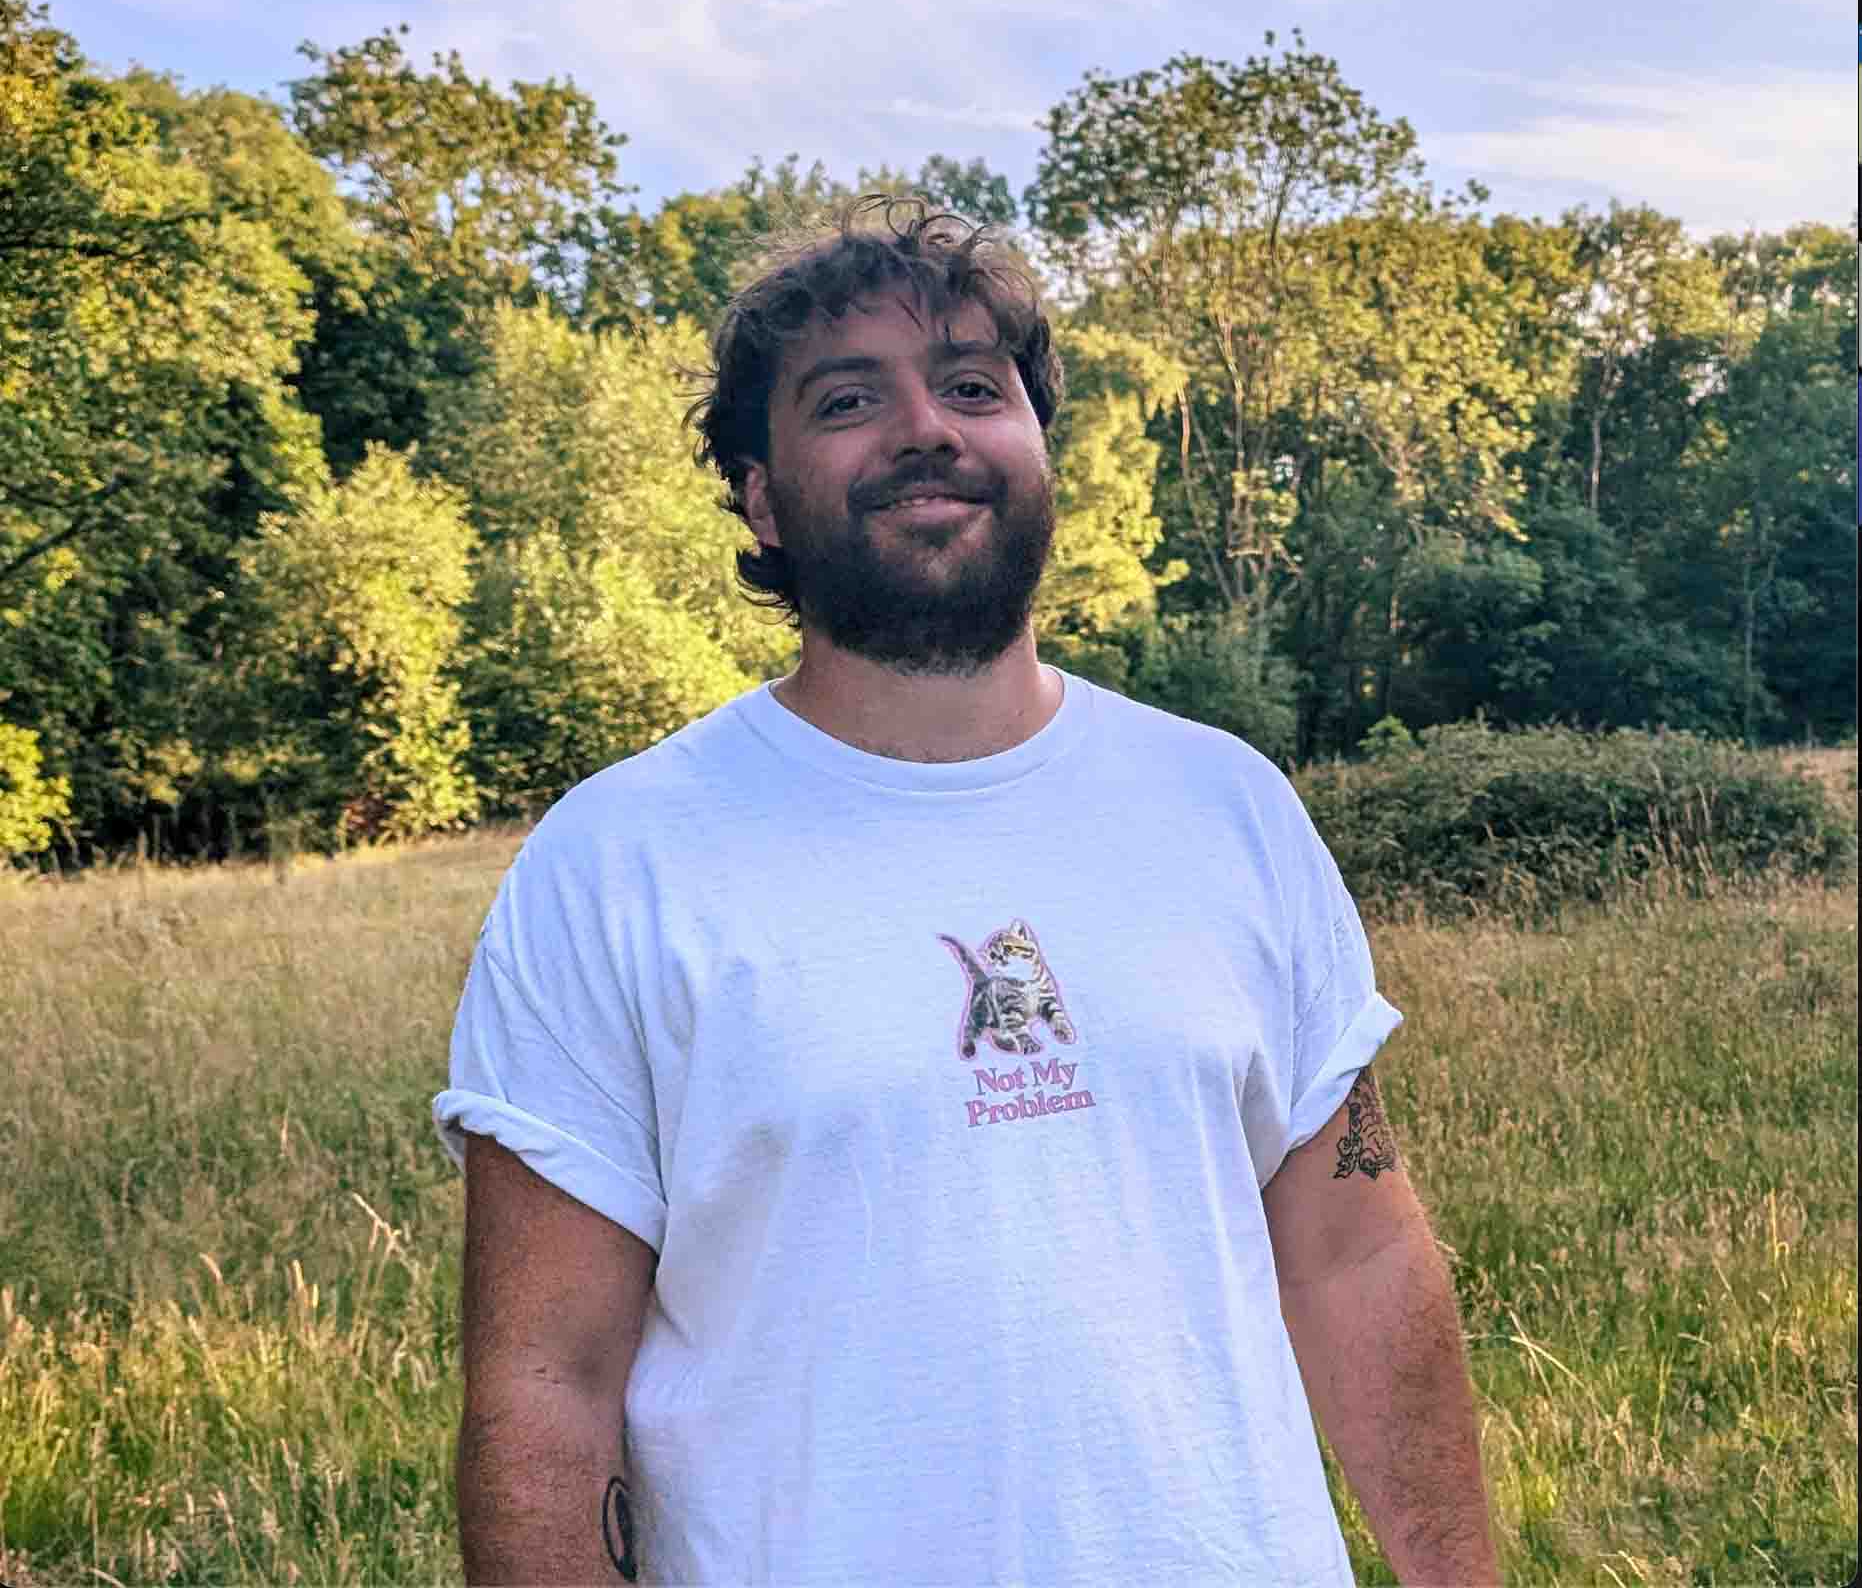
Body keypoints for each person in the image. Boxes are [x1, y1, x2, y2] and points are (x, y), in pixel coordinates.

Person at [434, 196, 1502, 1587]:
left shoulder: (1225, 804)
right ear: (761, 496)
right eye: (847, 399)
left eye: (972, 387)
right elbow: (545, 1390)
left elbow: (1357, 1260)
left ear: (1039, 446)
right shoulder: (617, 861)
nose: (924, 428)